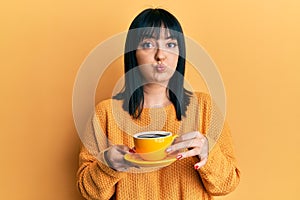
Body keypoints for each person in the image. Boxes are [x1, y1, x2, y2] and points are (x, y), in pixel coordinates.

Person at [77, 8, 240, 200]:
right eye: (147, 44)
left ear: (180, 53)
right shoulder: (105, 114)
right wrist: (107, 164)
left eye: (171, 44)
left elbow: (227, 184)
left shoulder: (205, 108)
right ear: (133, 53)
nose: (160, 55)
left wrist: (207, 153)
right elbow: (88, 192)